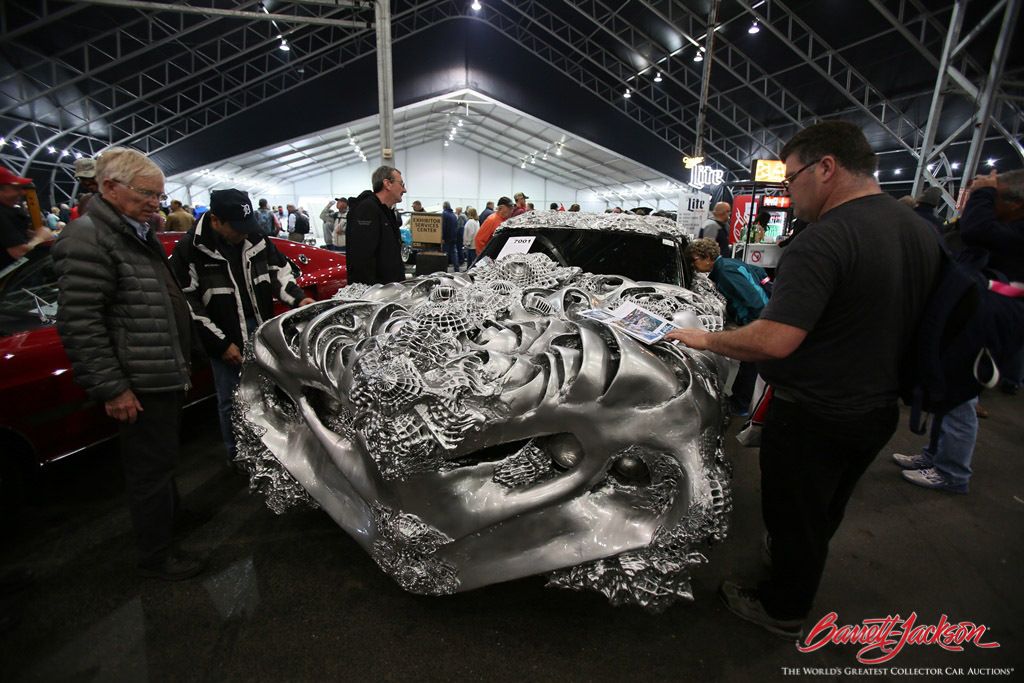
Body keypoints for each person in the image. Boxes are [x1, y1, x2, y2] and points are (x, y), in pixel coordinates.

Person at [666, 120, 942, 640]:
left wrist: (708, 340)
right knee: (825, 506)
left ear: (827, 168)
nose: (788, 196)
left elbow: (775, 340)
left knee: (794, 514)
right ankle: (797, 564)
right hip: (877, 408)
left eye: (790, 180)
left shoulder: (825, 239)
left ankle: (783, 607)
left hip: (816, 411)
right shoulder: (919, 230)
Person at [52, 147, 203, 581]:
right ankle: (157, 553)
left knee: (163, 459)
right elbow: (80, 322)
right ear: (110, 188)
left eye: (159, 194)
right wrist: (113, 387)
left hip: (157, 367)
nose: (155, 202)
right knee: (149, 469)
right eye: (146, 193)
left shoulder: (132, 229)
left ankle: (171, 519)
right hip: (138, 377)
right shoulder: (88, 237)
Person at [895, 169, 1024, 494]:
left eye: (994, 199)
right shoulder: (1008, 231)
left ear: (1016, 204)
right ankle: (936, 456)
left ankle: (952, 472)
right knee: (948, 387)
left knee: (960, 396)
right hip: (980, 312)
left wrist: (983, 191)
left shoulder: (1013, 233)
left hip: (991, 318)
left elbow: (975, 229)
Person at [170, 189, 315, 464]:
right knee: (232, 399)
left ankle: (274, 454)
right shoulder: (190, 249)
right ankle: (239, 457)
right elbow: (186, 302)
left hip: (259, 327)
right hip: (222, 333)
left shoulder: (255, 237)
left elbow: (279, 272)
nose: (244, 234)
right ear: (215, 220)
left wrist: (298, 298)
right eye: (237, 228)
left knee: (271, 392)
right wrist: (220, 343)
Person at [686, 237, 770, 416]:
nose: (693, 265)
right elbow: (760, 273)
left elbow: (753, 300)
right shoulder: (729, 264)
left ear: (708, 257)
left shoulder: (725, 271)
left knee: (750, 364)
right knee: (749, 364)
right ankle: (741, 402)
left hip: (757, 320)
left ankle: (740, 406)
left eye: (694, 260)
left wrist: (757, 327)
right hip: (760, 318)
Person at [345, 165, 407, 285]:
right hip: (376, 294)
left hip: (389, 290)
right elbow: (362, 258)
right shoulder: (367, 209)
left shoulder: (386, 212)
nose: (404, 190)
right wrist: (372, 296)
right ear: (387, 184)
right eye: (401, 184)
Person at [0, 167, 55, 270]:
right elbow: (19, 252)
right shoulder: (2, 214)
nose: (22, 193)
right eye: (15, 188)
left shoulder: (8, 211)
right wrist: (40, 238)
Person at [442, 201, 459, 271]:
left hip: (447, 237)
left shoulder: (444, 213)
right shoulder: (453, 214)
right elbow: (456, 226)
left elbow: (443, 226)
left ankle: (444, 269)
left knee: (445, 254)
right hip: (454, 237)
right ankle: (457, 269)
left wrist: (443, 237)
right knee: (454, 253)